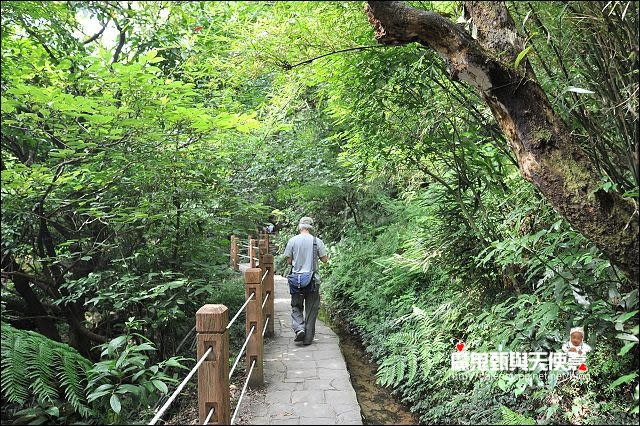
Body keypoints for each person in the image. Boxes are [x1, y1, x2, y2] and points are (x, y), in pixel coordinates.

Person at [283, 217, 328, 345]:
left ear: (300, 226)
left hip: (296, 281)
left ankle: (299, 328)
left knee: (296, 306)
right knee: (312, 309)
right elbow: (324, 260)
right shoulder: (316, 241)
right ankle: (308, 339)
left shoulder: (292, 240)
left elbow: (288, 260)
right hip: (312, 281)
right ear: (311, 227)